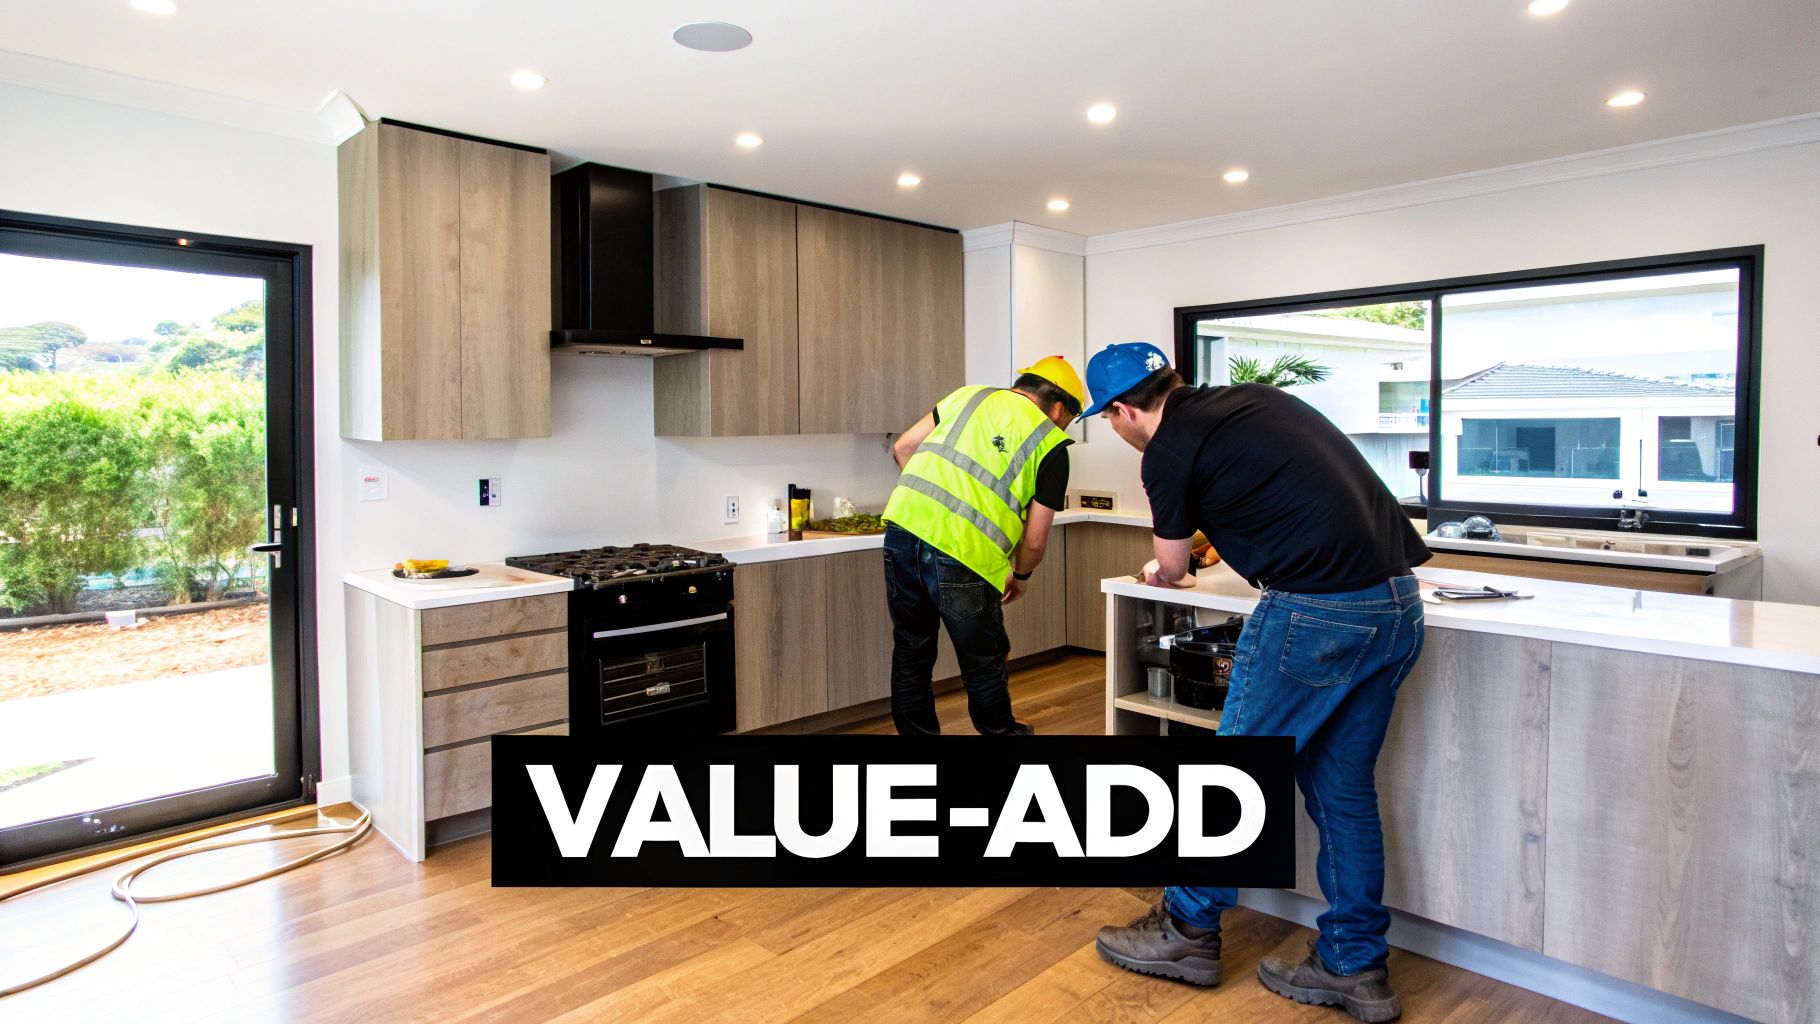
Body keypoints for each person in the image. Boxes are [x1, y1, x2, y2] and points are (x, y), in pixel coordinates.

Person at [1085, 342, 1430, 1023]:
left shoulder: (1168, 450)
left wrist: (1163, 573)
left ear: (1124, 412)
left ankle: (1185, 930)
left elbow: (1174, 567)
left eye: (1111, 420)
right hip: (1397, 604)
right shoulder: (1258, 402)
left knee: (1233, 776)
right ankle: (1354, 966)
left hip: (1318, 609)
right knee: (1342, 789)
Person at [879, 356, 1084, 736]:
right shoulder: (1052, 443)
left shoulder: (967, 396)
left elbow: (904, 446)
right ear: (1059, 406)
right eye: (1069, 417)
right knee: (982, 659)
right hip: (963, 553)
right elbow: (1036, 540)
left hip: (902, 533)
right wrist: (1021, 574)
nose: (1063, 425)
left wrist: (930, 502)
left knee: (912, 650)